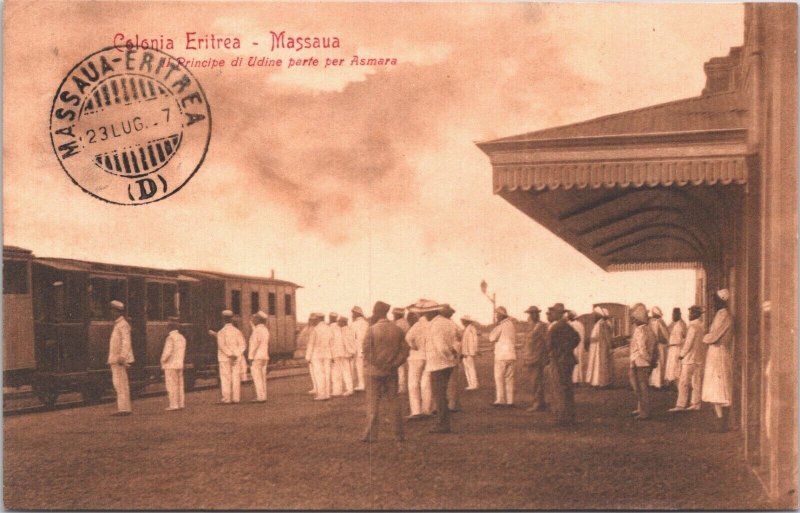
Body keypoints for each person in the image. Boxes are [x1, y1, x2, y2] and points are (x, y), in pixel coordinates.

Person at [361, 301, 409, 442]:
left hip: (373, 372)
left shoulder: (372, 330)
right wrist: (394, 364)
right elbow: (405, 351)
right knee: (394, 403)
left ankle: (371, 435)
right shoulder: (397, 330)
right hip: (391, 372)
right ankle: (399, 434)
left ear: (376, 312)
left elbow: (366, 351)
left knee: (372, 404)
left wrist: (378, 364)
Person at [702, 289, 734, 432]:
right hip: (715, 353)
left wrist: (706, 338)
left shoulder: (724, 316)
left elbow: (714, 336)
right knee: (716, 388)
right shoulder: (719, 315)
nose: (713, 303)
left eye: (715, 300)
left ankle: (722, 422)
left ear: (722, 301)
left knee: (720, 388)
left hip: (719, 353)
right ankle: (720, 420)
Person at [544, 303, 580, 424]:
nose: (551, 314)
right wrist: (568, 349)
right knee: (567, 388)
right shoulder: (567, 326)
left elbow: (549, 345)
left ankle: (562, 417)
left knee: (559, 388)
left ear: (559, 314)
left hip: (558, 361)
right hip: (568, 360)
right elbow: (577, 338)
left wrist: (558, 352)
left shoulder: (555, 327)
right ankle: (568, 415)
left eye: (553, 312)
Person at [427, 301, 459, 433]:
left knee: (438, 395)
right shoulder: (449, 323)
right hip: (447, 363)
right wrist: (453, 354)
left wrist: (448, 355)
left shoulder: (435, 325)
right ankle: (443, 422)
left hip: (438, 364)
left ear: (432, 312)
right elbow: (457, 339)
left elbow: (440, 346)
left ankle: (443, 424)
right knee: (442, 393)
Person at [669, 305, 706, 412]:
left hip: (689, 359)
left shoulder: (693, 327)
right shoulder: (701, 326)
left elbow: (688, 343)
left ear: (696, 314)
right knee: (696, 382)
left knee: (683, 382)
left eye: (691, 313)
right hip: (698, 358)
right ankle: (696, 403)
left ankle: (680, 405)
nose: (689, 315)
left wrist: (681, 355)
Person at [405, 300, 435, 420]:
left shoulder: (417, 326)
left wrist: (413, 346)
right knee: (426, 383)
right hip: (428, 356)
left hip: (416, 357)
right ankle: (427, 409)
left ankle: (416, 410)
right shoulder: (431, 325)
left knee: (413, 384)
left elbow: (408, 338)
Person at [629, 303, 657, 420]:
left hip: (640, 362)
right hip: (642, 362)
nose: (632, 319)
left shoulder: (639, 330)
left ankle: (644, 412)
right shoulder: (649, 329)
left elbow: (642, 348)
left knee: (641, 388)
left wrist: (648, 360)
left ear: (638, 318)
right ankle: (641, 409)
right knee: (641, 387)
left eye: (634, 317)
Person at [108, 300, 134, 416]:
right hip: (116, 358)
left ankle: (124, 409)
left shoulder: (122, 325)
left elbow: (126, 342)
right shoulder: (119, 324)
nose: (111, 313)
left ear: (118, 312)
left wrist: (122, 356)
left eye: (113, 311)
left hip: (119, 359)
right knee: (119, 383)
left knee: (120, 383)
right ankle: (123, 408)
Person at [216, 310, 246, 404]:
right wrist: (236, 354)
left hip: (225, 358)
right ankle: (236, 398)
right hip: (236, 358)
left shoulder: (221, 332)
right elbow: (243, 345)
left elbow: (222, 346)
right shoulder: (237, 332)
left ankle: (226, 398)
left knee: (225, 378)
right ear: (232, 319)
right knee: (236, 377)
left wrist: (230, 354)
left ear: (223, 319)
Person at [490, 306, 517, 406]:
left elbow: (491, 338)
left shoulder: (501, 326)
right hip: (512, 355)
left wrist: (495, 326)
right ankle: (510, 401)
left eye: (497, 314)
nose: (496, 316)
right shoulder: (511, 325)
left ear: (501, 315)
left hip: (502, 355)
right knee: (509, 379)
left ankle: (500, 399)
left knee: (499, 378)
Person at [522, 306, 547, 412]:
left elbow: (546, 341)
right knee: (534, 382)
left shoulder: (541, 326)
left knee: (536, 381)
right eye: (530, 314)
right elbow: (527, 343)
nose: (531, 316)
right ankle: (538, 402)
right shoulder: (531, 326)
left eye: (533, 313)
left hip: (537, 358)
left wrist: (544, 356)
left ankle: (538, 403)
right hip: (530, 357)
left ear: (537, 314)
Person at [440, 305, 463, 412]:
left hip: (442, 353)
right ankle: (452, 404)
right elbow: (459, 335)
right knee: (452, 380)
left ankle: (443, 405)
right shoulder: (453, 324)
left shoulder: (437, 323)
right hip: (452, 353)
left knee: (440, 381)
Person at [306, 311, 334, 401]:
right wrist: (332, 355)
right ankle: (328, 393)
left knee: (319, 374)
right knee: (327, 373)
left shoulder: (315, 329)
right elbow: (332, 343)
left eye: (315, 319)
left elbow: (311, 344)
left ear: (318, 319)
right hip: (327, 354)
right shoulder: (329, 328)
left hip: (317, 355)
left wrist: (308, 357)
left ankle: (321, 394)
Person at [161, 317, 186, 411]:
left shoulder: (170, 338)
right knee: (180, 385)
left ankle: (173, 405)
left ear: (169, 328)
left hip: (170, 365)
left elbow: (167, 352)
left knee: (171, 385)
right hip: (179, 363)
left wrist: (162, 360)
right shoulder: (182, 337)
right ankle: (181, 403)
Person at [586, 307, 613, 388]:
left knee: (599, 365)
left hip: (599, 347)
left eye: (595, 315)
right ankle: (595, 382)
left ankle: (600, 383)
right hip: (595, 347)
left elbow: (604, 337)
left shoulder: (602, 324)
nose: (593, 317)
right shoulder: (598, 324)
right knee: (595, 365)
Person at [248, 310, 270, 402]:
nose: (254, 319)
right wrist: (252, 325)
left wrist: (250, 357)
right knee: (262, 377)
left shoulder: (257, 331)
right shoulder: (265, 330)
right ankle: (263, 396)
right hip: (264, 356)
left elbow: (254, 345)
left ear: (258, 319)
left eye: (255, 318)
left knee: (257, 377)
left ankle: (260, 397)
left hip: (257, 357)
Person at [330, 312, 354, 397]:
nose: (338, 323)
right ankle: (339, 390)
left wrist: (351, 352)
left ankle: (347, 390)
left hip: (342, 354)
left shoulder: (346, 330)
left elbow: (349, 343)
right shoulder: (345, 329)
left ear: (343, 322)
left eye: (339, 322)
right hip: (340, 354)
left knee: (343, 372)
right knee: (339, 373)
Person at [648, 307, 670, 389]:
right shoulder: (659, 322)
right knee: (659, 362)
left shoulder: (652, 322)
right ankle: (658, 382)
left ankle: (656, 382)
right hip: (659, 345)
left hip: (657, 345)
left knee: (658, 363)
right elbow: (665, 335)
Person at [665, 308, 687, 385]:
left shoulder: (682, 324)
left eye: (674, 314)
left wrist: (681, 344)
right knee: (671, 366)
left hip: (678, 348)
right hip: (671, 348)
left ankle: (677, 384)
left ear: (678, 315)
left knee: (677, 367)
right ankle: (671, 382)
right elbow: (667, 331)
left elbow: (685, 336)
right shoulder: (672, 324)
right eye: (672, 314)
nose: (672, 316)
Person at [351, 306, 369, 392]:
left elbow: (354, 338)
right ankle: (365, 383)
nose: (352, 315)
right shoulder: (366, 323)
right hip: (366, 347)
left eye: (353, 313)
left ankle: (361, 384)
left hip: (358, 348)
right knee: (365, 367)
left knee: (359, 367)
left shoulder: (354, 324)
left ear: (357, 314)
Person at [567, 311, 588, 385]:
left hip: (573, 346)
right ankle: (579, 379)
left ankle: (574, 380)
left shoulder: (571, 325)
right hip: (580, 345)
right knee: (579, 362)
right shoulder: (580, 325)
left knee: (573, 362)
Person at [393, 307, 411, 394]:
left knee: (401, 369)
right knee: (405, 368)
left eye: (394, 314)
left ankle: (402, 388)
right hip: (405, 348)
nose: (393, 316)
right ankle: (404, 386)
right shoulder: (405, 322)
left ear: (398, 315)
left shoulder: (399, 323)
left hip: (400, 348)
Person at [460, 315, 480, 390]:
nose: (461, 322)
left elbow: (472, 341)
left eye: (463, 320)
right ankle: (471, 384)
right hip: (466, 352)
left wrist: (468, 352)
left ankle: (474, 384)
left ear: (466, 321)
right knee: (467, 368)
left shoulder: (471, 329)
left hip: (468, 352)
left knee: (470, 368)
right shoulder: (467, 329)